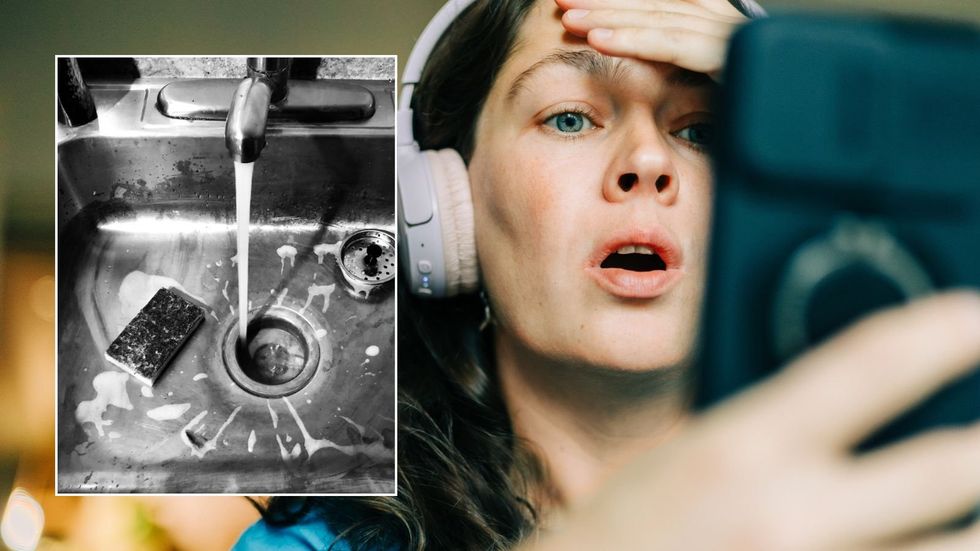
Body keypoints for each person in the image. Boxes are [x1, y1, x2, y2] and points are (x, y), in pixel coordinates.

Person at [235, 0, 980, 549]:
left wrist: (789, 89)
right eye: (570, 118)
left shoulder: (915, 505)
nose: (649, 161)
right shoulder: (310, 545)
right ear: (441, 205)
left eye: (703, 129)